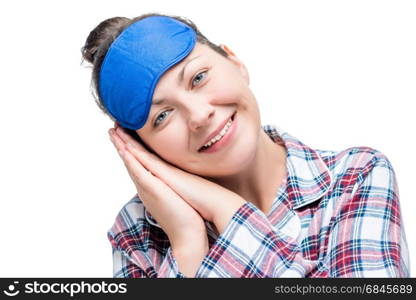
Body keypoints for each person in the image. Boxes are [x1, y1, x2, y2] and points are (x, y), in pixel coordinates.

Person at [81, 13, 410, 277]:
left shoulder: (355, 176)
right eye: (163, 116)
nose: (199, 116)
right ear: (145, 150)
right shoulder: (137, 233)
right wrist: (187, 242)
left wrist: (228, 210)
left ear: (236, 63)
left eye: (198, 77)